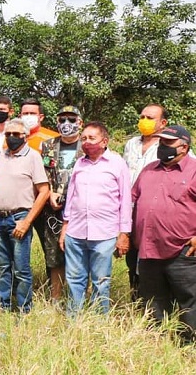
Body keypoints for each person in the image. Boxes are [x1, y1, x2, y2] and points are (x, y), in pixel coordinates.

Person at [132, 125, 196, 342]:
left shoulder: (194, 170)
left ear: (184, 147)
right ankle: (157, 343)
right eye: (161, 142)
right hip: (148, 248)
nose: (162, 146)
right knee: (153, 300)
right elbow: (133, 199)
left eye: (168, 142)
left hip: (183, 251)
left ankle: (188, 345)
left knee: (189, 301)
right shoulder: (149, 170)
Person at [59, 122, 131, 314]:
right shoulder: (79, 164)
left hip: (104, 233)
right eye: (84, 138)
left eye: (92, 138)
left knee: (101, 280)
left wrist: (124, 233)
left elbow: (125, 200)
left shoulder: (117, 164)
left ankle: (98, 321)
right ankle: (74, 317)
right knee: (74, 278)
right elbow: (71, 196)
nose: (87, 142)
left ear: (104, 141)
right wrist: (65, 227)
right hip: (76, 231)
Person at [0, 118, 49, 312]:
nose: (11, 137)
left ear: (25, 136)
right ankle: (3, 305)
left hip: (19, 218)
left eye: (16, 134)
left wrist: (27, 221)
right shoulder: (1, 156)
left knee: (21, 269)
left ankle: (23, 309)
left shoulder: (33, 157)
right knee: (4, 266)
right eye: (8, 134)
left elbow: (44, 191)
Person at [38, 105, 84, 302]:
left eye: (71, 120)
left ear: (80, 123)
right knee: (54, 253)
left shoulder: (87, 145)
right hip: (54, 209)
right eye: (62, 119)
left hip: (81, 208)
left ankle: (80, 298)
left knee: (80, 253)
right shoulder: (48, 145)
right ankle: (55, 298)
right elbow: (43, 174)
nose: (66, 124)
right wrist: (49, 192)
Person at [122, 103, 168, 300]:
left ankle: (157, 303)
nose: (144, 121)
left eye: (150, 118)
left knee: (152, 260)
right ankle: (137, 302)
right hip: (130, 212)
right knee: (132, 259)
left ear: (163, 123)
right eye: (142, 117)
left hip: (154, 213)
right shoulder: (131, 144)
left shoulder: (169, 145)